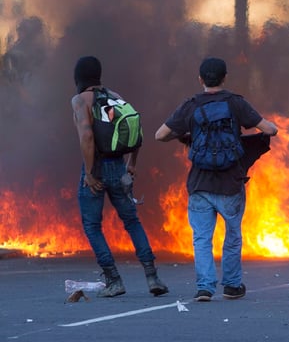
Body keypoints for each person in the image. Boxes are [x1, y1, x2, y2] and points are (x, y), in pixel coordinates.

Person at [155, 57, 277, 302]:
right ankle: (231, 285)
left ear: (200, 79)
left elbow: (160, 135)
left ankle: (205, 288)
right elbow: (270, 130)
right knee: (232, 235)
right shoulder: (235, 103)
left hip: (200, 184)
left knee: (201, 238)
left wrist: (187, 135)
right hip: (231, 183)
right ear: (225, 78)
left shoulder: (190, 106)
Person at [71, 56, 168, 298]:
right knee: (132, 222)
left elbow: (87, 137)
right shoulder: (114, 96)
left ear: (78, 77)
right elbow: (135, 127)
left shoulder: (80, 100)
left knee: (92, 226)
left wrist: (91, 173)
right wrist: (132, 163)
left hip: (98, 167)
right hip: (119, 166)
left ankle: (114, 281)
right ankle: (152, 276)